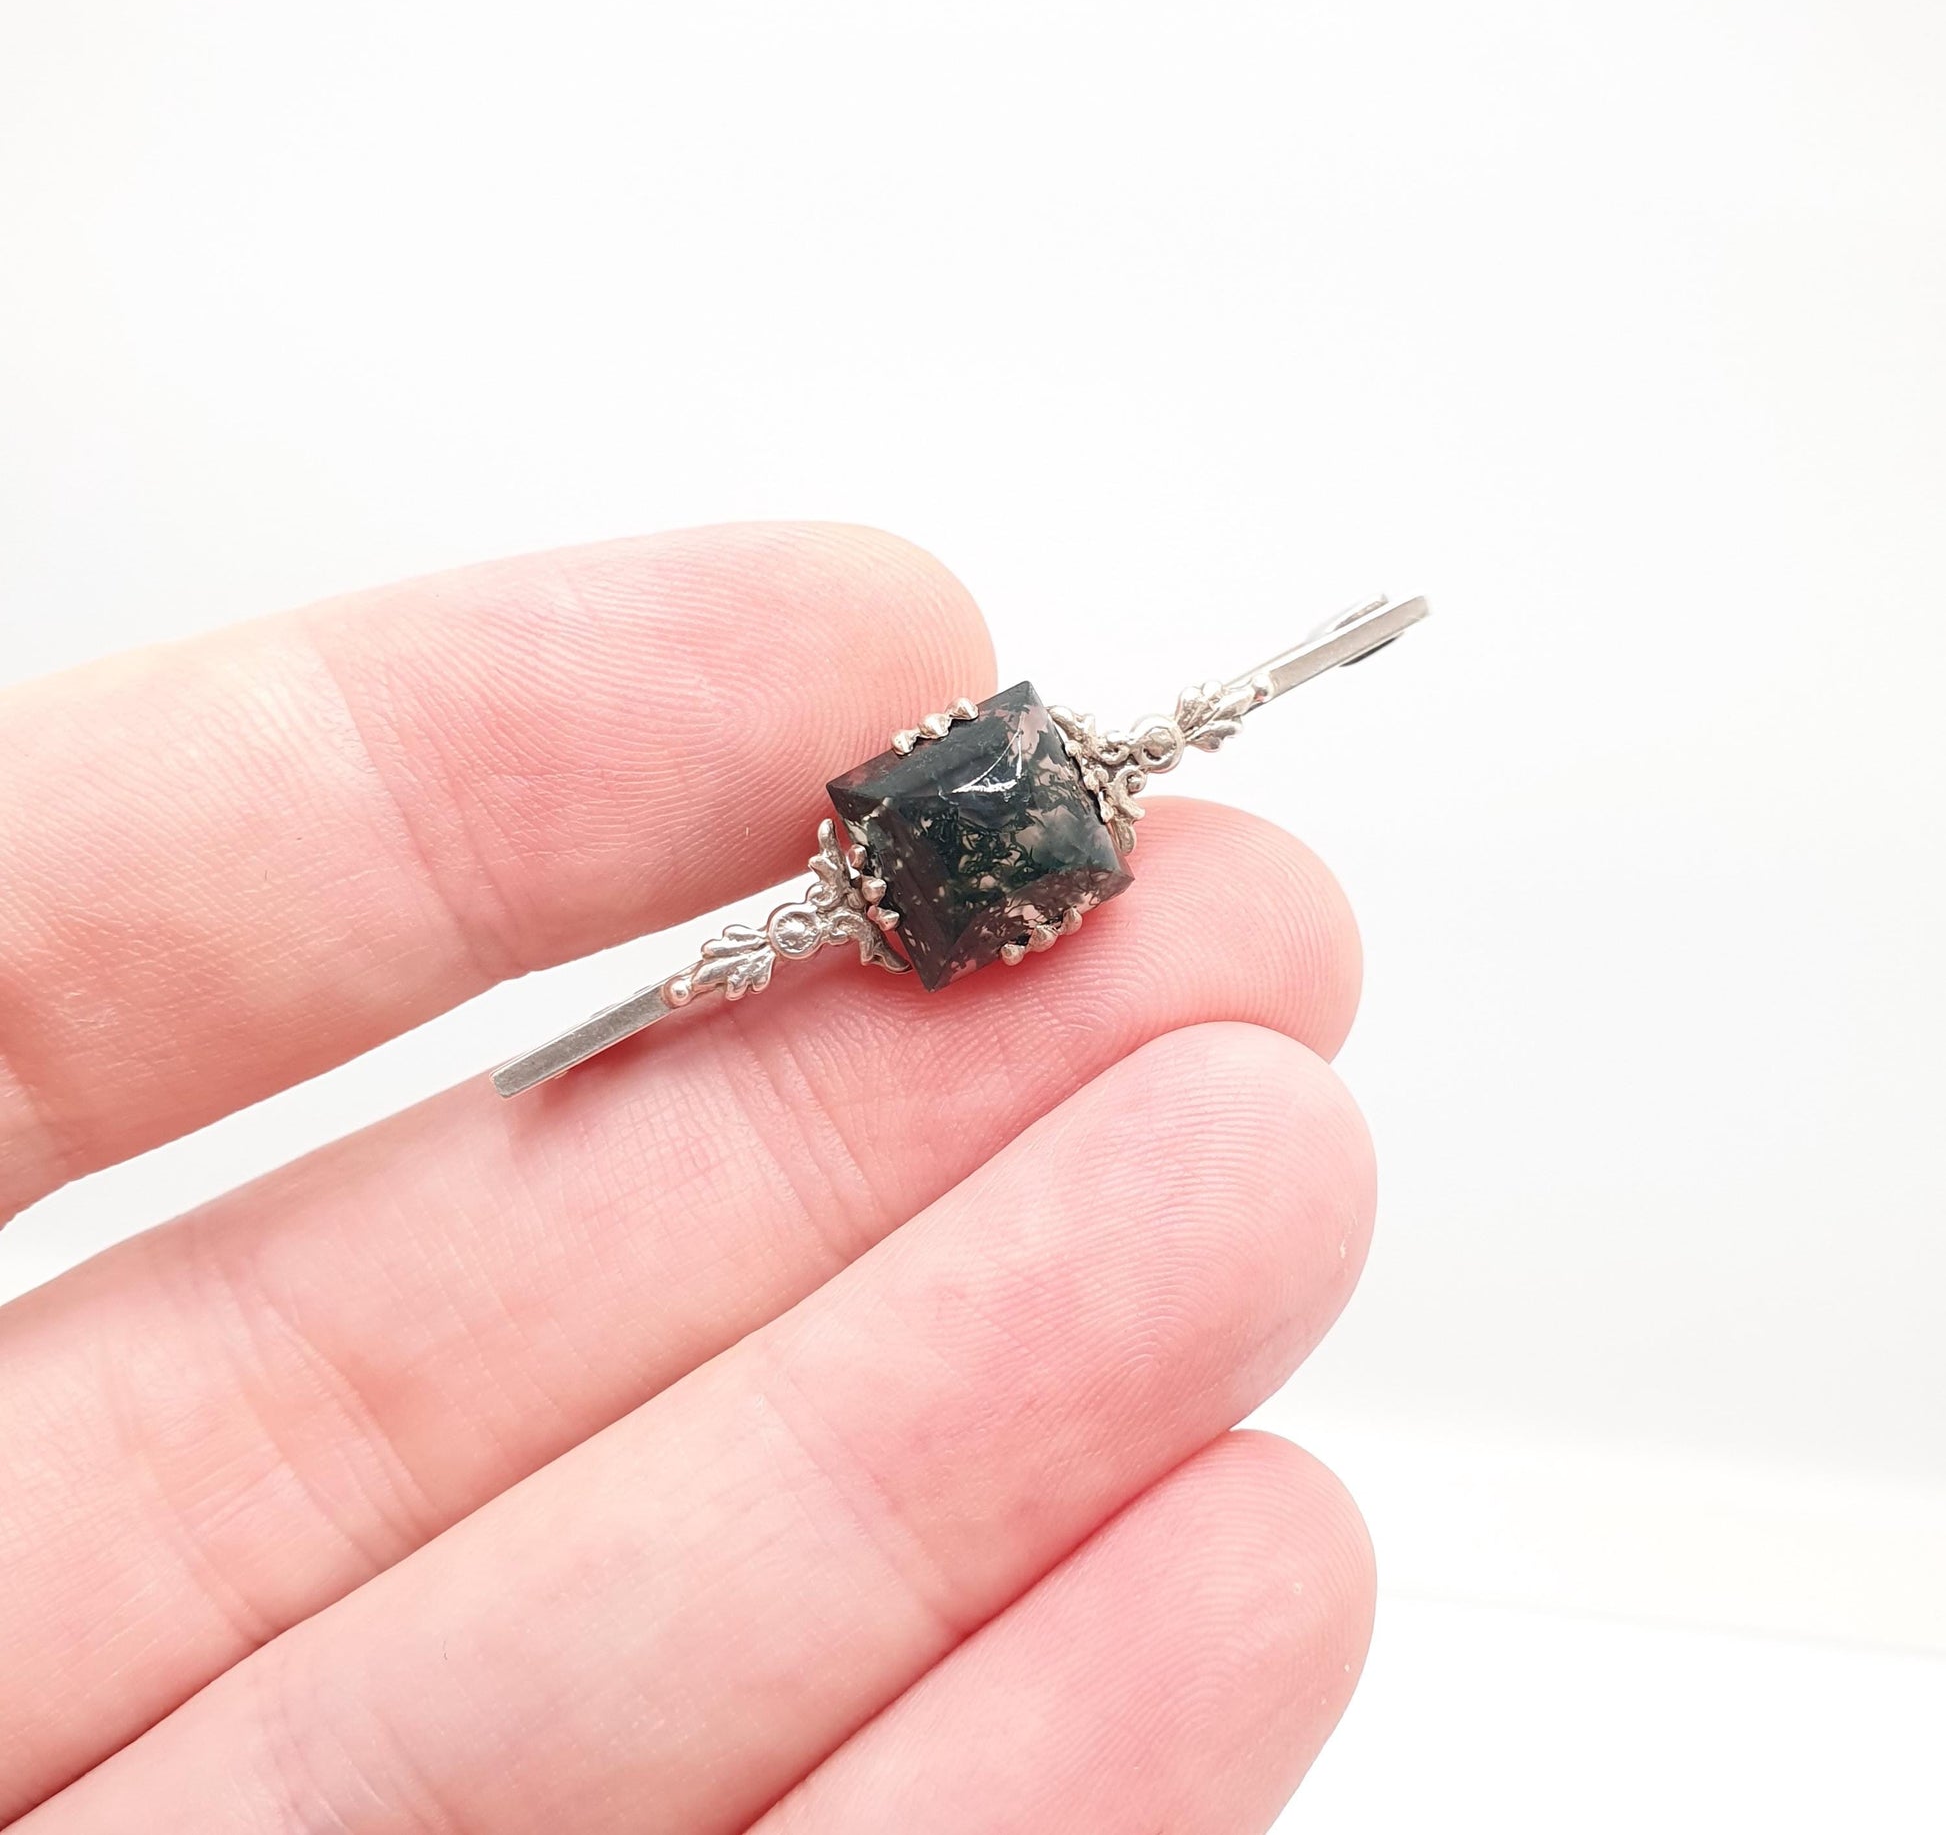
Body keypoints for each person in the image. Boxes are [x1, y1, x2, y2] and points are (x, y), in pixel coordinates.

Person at [0, 521, 1377, 1832]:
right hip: (870, 898)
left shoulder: (1065, 829)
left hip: (888, 903)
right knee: (723, 974)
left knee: (734, 973)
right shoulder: (1025, 803)